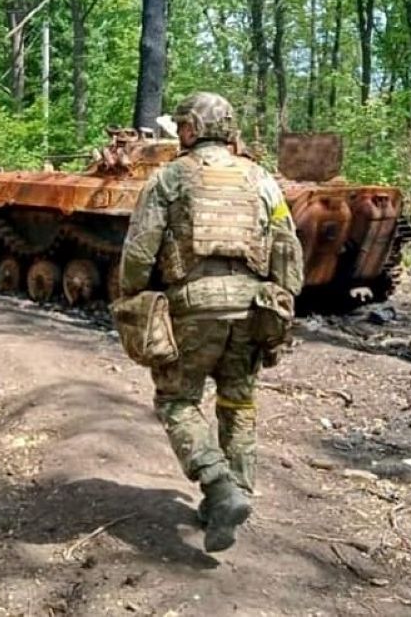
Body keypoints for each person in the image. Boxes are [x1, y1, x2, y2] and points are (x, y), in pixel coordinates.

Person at [118, 92, 304, 553]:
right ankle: (234, 499)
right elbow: (287, 246)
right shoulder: (261, 179)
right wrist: (283, 300)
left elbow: (141, 248)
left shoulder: (170, 177)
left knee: (177, 400)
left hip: (194, 307)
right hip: (254, 308)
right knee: (237, 403)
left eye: (182, 125)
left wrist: (131, 292)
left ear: (190, 129)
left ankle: (218, 484)